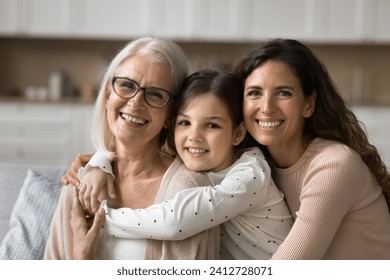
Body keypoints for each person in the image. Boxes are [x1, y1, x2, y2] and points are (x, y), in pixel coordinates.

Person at [65, 69, 293, 260]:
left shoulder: (251, 177)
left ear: (238, 134)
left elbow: (175, 221)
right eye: (185, 122)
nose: (194, 136)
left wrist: (100, 220)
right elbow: (129, 151)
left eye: (212, 126)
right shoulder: (193, 159)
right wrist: (99, 162)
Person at [44, 37, 220, 260]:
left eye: (155, 93)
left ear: (170, 115)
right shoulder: (80, 183)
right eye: (127, 85)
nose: (136, 102)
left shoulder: (189, 191)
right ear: (108, 95)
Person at [234, 38, 390, 259]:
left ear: (308, 104)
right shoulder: (258, 165)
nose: (266, 108)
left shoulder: (334, 165)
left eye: (283, 93)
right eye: (254, 93)